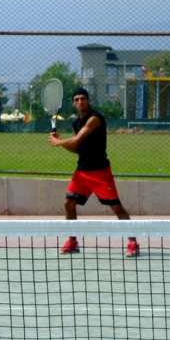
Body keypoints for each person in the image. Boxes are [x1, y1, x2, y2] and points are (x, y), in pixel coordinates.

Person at [48, 87, 139, 257]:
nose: (80, 102)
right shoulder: (76, 123)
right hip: (81, 173)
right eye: (76, 99)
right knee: (68, 203)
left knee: (117, 208)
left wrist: (57, 143)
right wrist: (61, 143)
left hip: (100, 172)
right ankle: (73, 241)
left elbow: (77, 139)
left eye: (83, 98)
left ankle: (133, 242)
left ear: (88, 100)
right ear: (73, 103)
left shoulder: (95, 119)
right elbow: (77, 148)